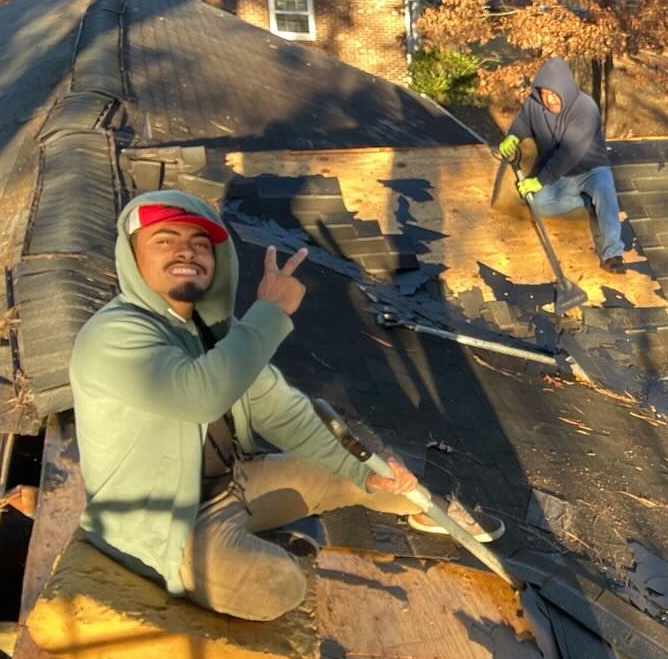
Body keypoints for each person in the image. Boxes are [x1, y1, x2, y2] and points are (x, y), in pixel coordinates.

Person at [70, 191, 437, 622]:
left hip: (234, 484)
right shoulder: (111, 336)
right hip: (163, 527)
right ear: (132, 257)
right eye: (165, 240)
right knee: (279, 586)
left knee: (369, 472)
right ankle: (234, 558)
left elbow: (282, 411)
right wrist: (272, 311)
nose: (187, 250)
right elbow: (200, 396)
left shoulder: (215, 331)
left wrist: (366, 471)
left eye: (201, 243)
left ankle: (433, 511)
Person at [498, 56, 626, 273]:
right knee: (539, 204)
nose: (549, 100)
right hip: (562, 176)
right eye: (544, 93)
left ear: (565, 89)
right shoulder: (534, 104)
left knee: (605, 191)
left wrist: (539, 181)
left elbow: (570, 153)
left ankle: (612, 253)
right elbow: (523, 122)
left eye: (554, 94)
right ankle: (587, 202)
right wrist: (513, 136)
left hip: (591, 169)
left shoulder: (585, 108)